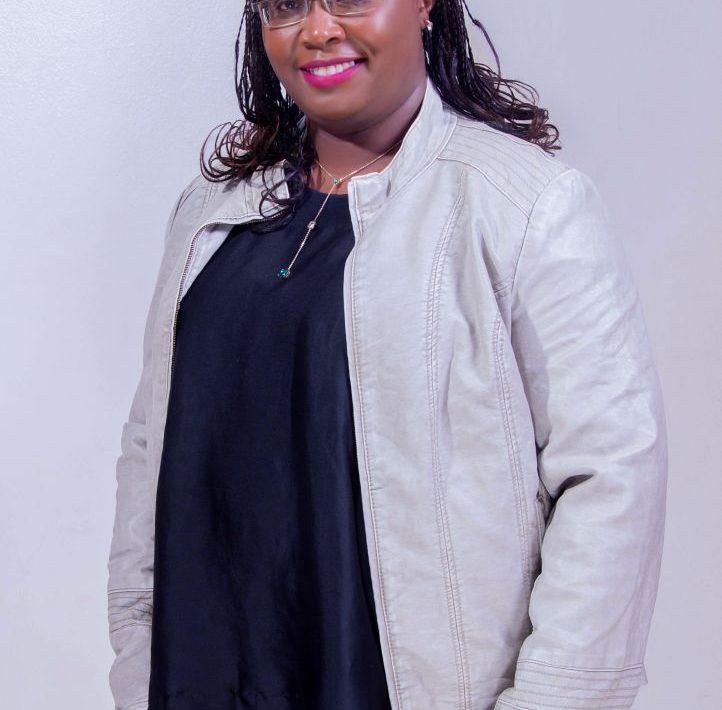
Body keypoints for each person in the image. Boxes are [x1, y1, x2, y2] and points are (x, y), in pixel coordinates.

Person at [106, 0, 668, 708]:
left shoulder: (524, 206)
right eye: (287, 5)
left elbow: (611, 477)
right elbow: (151, 446)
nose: (318, 30)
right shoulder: (209, 211)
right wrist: (137, 653)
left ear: (425, 6)